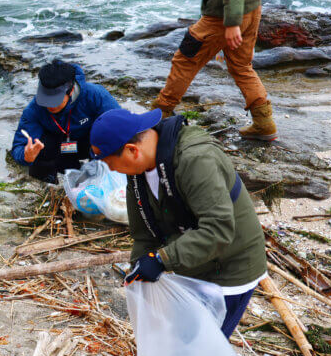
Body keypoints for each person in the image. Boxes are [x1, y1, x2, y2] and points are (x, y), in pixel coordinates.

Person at [90, 108, 267, 338]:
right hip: (194, 262)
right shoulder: (138, 170)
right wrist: (139, 270)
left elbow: (218, 230)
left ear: (132, 150)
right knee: (182, 342)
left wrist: (162, 260)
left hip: (232, 265)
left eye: (110, 163)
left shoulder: (195, 159)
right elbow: (144, 233)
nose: (111, 170)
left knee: (205, 349)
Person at [152, 0, 276, 141]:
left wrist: (232, 22)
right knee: (242, 67)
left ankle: (158, 115)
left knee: (185, 60)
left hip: (224, 15)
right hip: (252, 8)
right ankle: (263, 122)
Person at [10, 59, 120, 183]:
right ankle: (50, 185)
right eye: (45, 100)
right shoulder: (34, 108)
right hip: (59, 145)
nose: (50, 106)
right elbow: (18, 146)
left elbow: (119, 130)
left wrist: (96, 166)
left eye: (55, 101)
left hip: (92, 145)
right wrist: (26, 156)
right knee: (38, 150)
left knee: (109, 146)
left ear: (71, 91)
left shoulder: (95, 96)